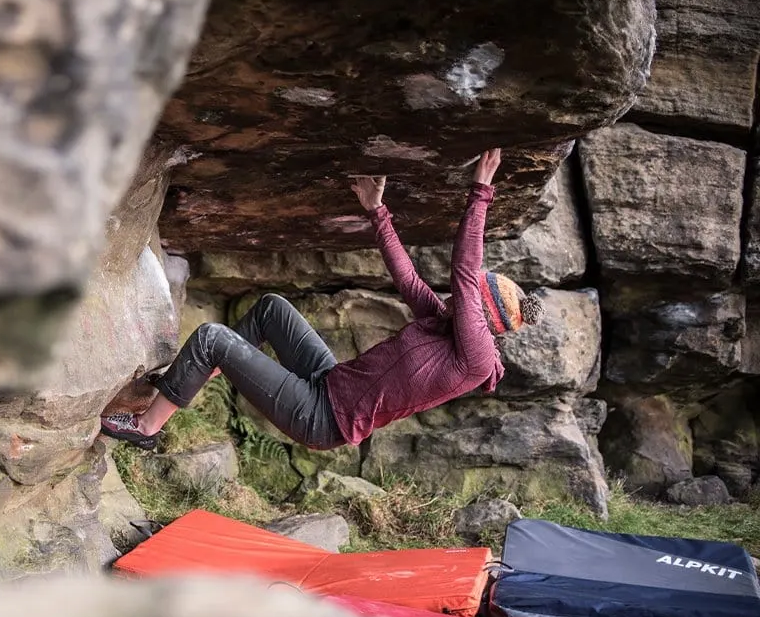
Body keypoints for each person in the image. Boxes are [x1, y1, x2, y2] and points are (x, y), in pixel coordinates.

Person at [100, 148, 544, 451]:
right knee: (272, 307)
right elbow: (407, 278)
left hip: (321, 418)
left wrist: (481, 191)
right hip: (329, 382)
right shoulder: (445, 324)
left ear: (482, 316)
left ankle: (145, 427)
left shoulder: (477, 357)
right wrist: (376, 209)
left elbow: (466, 271)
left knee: (212, 336)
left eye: (469, 300)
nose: (456, 298)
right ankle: (199, 374)